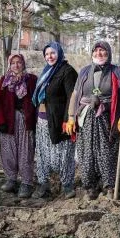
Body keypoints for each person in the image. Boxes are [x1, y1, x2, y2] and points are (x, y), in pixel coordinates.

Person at [67, 41, 120, 199]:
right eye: (96, 51)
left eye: (102, 51)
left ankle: (110, 186)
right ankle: (90, 187)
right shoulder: (83, 72)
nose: (99, 54)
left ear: (108, 53)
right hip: (86, 118)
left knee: (108, 151)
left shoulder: (118, 72)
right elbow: (76, 95)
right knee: (87, 152)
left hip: (109, 119)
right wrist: (70, 117)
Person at [32, 42, 78, 199]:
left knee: (64, 154)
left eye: (52, 53)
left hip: (60, 121)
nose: (49, 57)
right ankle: (43, 183)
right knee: (43, 154)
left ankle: (67, 185)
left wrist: (69, 119)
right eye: (46, 54)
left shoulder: (68, 71)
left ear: (59, 53)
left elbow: (72, 97)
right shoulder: (47, 71)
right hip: (43, 121)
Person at [0, 53, 37, 198]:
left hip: (25, 120)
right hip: (8, 121)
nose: (16, 65)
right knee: (8, 151)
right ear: (9, 65)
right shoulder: (4, 81)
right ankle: (11, 179)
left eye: (19, 62)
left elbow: (37, 100)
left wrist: (34, 117)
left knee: (26, 152)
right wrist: (0, 121)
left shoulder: (31, 79)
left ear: (23, 64)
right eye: (13, 63)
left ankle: (26, 183)